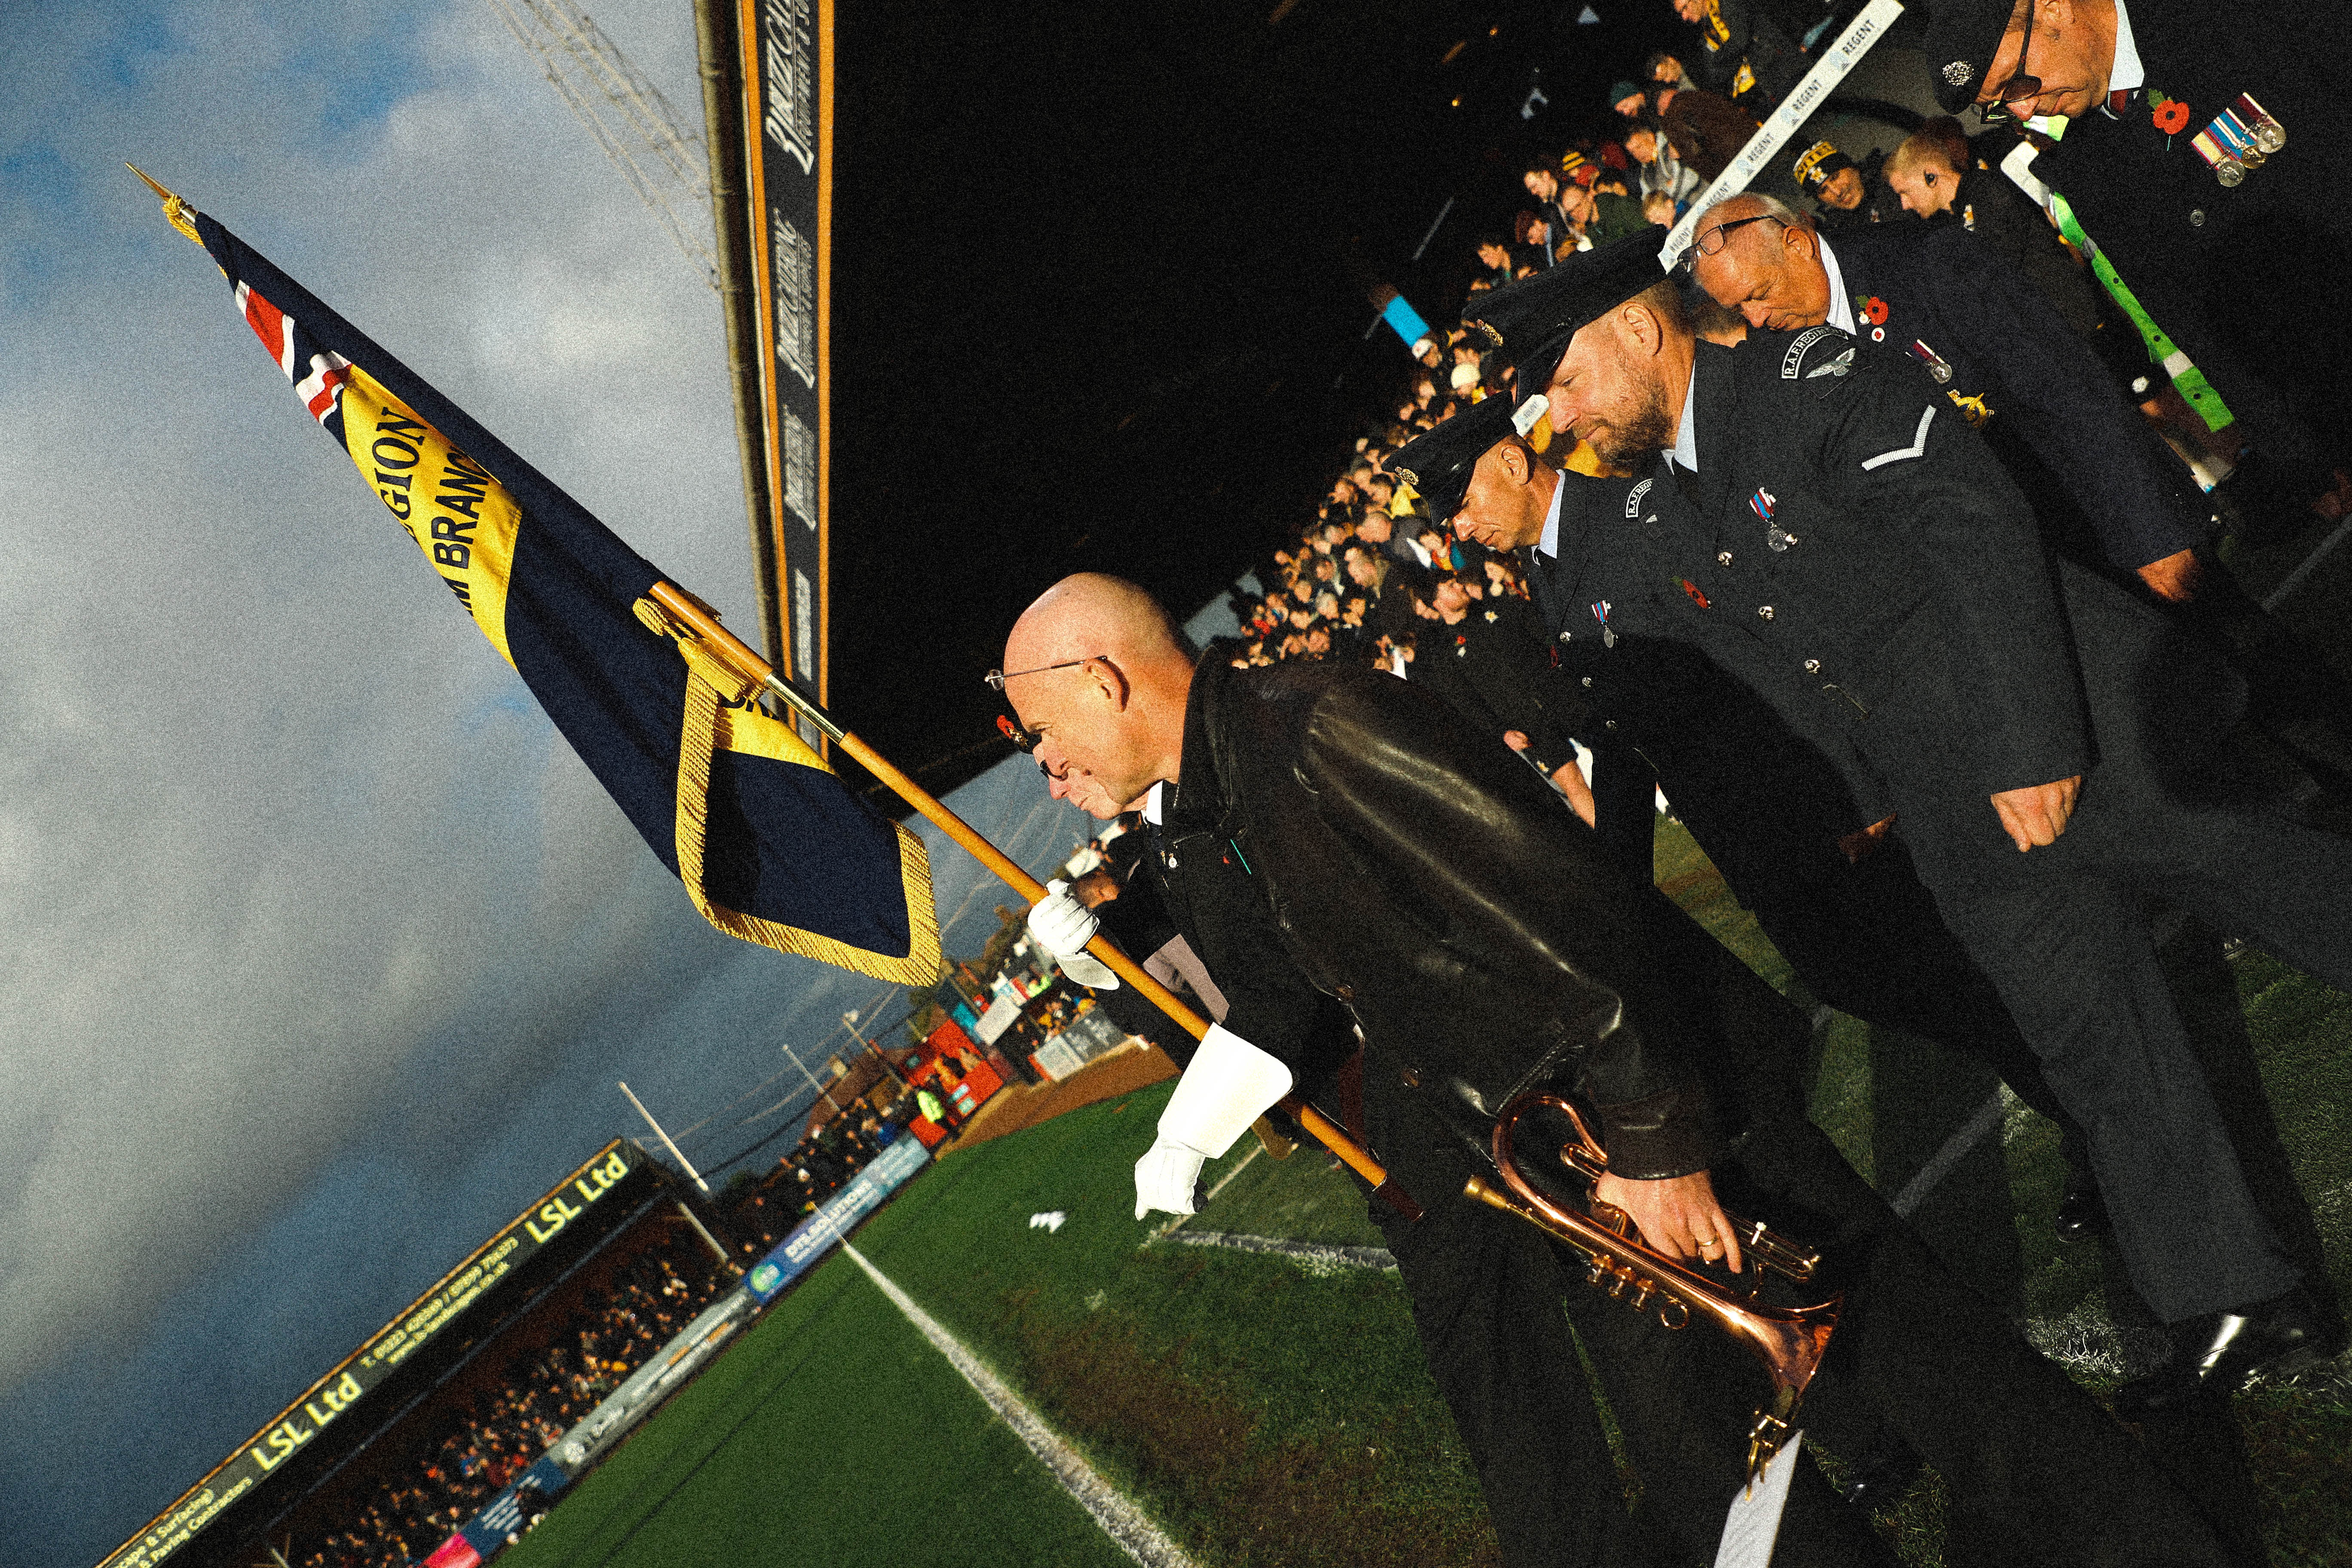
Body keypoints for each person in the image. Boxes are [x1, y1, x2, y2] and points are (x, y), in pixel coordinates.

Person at [998, 573, 2239, 1568]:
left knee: (1919, 1363)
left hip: (1657, 1119)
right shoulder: (1236, 784)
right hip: (1579, 1162)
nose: (1047, 770)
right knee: (1713, 1470)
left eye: (1043, 736)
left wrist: (1658, 1142)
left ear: (1104, 680)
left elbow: (1569, 903)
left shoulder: (1315, 728)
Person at [1488, 225, 2352, 1408]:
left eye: (1567, 380)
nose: (1564, 417)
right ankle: (2231, 1295)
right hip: (1948, 799)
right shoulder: (1666, 494)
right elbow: (1782, 650)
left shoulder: (1807, 380)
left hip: (2079, 731)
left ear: (1637, 329)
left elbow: (1975, 526)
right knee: (2089, 1039)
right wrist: (1870, 790)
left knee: (2284, 885)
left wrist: (2033, 746)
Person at [1686, 190, 2352, 792]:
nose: (1755, 317)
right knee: (2179, 738)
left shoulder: (1924, 263)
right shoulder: (1785, 356)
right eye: (1737, 308)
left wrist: (2152, 534)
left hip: (2104, 530)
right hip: (2028, 587)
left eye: (1758, 293)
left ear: (1797, 243)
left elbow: (2068, 392)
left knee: (2264, 677)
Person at [1924, 0, 2352, 526]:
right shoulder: (2085, 166)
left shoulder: (2223, 21)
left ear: (2054, 9)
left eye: (2017, 84)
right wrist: (2300, 455)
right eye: (1999, 107)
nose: (2024, 111)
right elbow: (2195, 324)